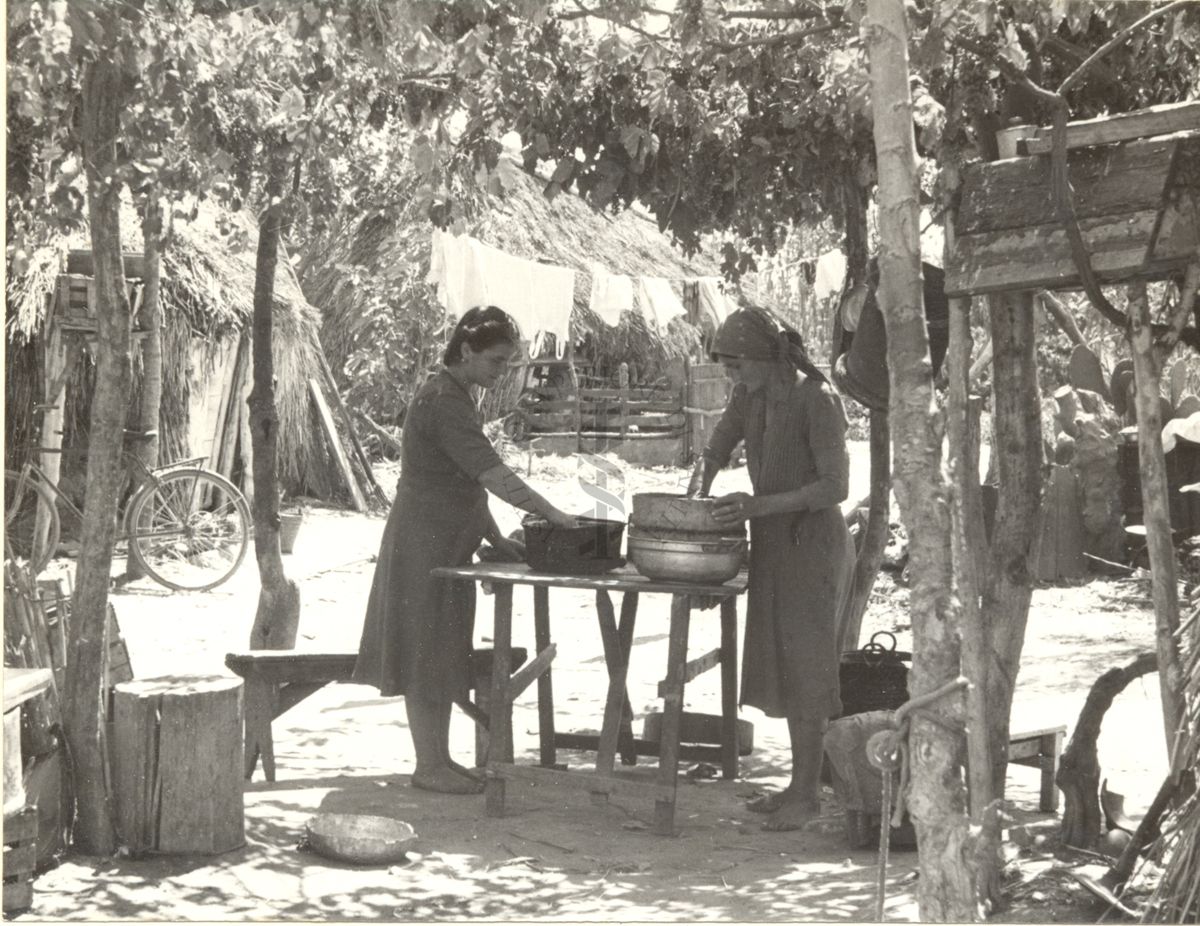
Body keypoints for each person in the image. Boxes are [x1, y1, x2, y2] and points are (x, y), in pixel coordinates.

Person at [353, 305, 577, 795]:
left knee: (439, 654)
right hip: (422, 544)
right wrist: (556, 515)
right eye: (496, 362)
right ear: (467, 350)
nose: (501, 373)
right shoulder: (442, 400)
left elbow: (467, 486)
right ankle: (428, 765)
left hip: (449, 542)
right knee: (422, 656)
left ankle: (439, 759)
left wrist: (496, 539)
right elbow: (491, 474)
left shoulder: (459, 396)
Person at [687, 305, 853, 831]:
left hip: (813, 547)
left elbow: (836, 488)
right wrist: (698, 489)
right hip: (775, 547)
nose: (733, 378)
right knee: (784, 667)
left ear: (765, 357)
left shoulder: (816, 399)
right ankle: (796, 787)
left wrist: (757, 506)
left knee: (808, 671)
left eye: (737, 366)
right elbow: (718, 443)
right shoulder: (749, 395)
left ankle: (807, 795)